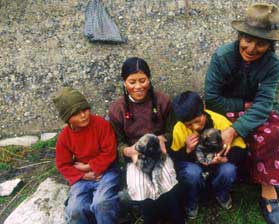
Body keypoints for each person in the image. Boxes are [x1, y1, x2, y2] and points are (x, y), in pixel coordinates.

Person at [204, 3, 279, 224]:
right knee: (262, 137)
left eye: (261, 43)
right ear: (240, 36)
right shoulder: (222, 57)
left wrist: (236, 129)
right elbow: (212, 99)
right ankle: (271, 192)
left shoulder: (273, 64)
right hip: (223, 113)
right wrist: (243, 105)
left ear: (271, 44)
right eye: (247, 40)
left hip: (254, 112)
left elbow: (265, 104)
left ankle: (269, 184)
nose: (251, 48)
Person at [108, 57, 186, 224]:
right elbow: (117, 142)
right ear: (124, 83)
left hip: (159, 150)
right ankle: (152, 219)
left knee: (167, 178)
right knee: (139, 185)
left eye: (142, 80)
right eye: (132, 82)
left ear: (149, 80)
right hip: (135, 155)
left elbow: (173, 130)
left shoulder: (162, 101)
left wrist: (163, 139)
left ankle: (177, 218)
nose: (138, 87)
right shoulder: (117, 109)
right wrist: (129, 152)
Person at [170, 91, 246, 219]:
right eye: (188, 125)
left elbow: (241, 149)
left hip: (218, 167)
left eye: (197, 121)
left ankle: (221, 192)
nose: (195, 127)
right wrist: (187, 150)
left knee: (228, 170)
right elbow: (175, 158)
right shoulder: (179, 129)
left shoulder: (220, 121)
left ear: (204, 107)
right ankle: (192, 200)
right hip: (197, 168)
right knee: (191, 173)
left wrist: (224, 159)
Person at [53, 87, 120, 224]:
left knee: (101, 204)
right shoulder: (64, 137)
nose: (83, 115)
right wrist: (83, 175)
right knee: (75, 209)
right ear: (67, 118)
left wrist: (89, 166)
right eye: (76, 113)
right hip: (81, 179)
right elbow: (62, 164)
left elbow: (110, 152)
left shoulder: (101, 125)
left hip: (106, 172)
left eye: (85, 110)